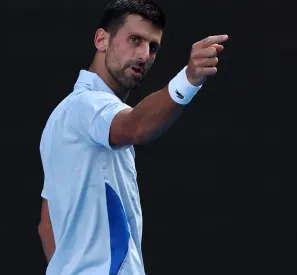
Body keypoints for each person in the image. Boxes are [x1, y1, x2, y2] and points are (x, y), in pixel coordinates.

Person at [38, 0, 228, 274]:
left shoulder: (62, 116)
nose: (144, 55)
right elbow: (135, 126)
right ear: (102, 39)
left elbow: (47, 225)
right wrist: (188, 79)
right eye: (135, 40)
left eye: (153, 47)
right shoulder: (88, 105)